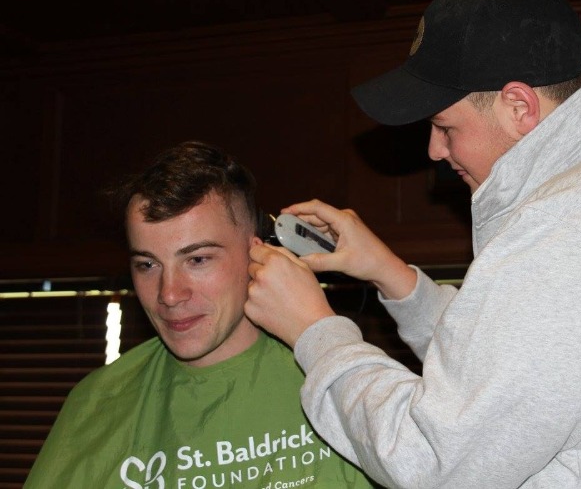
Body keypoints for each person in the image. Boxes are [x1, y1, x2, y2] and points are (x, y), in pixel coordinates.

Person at [245, 0, 581, 488]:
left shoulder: (575, 224)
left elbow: (431, 460)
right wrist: (392, 276)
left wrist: (315, 330)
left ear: (518, 105)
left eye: (445, 125)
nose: (434, 149)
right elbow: (521, 360)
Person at [24, 141, 377, 488]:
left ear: (258, 253)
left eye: (197, 260)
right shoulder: (94, 404)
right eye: (147, 264)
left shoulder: (343, 388)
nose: (169, 295)